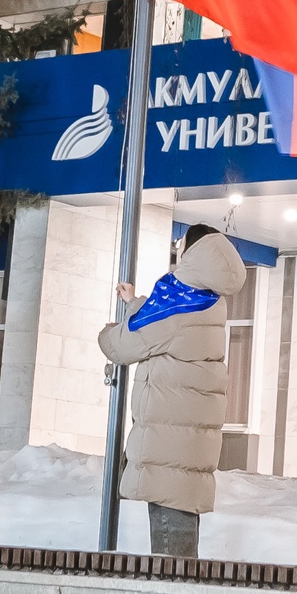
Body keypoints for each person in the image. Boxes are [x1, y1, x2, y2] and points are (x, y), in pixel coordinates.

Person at [99, 224, 246, 559]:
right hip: (186, 440)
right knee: (181, 539)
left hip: (169, 443)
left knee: (171, 557)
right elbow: (162, 328)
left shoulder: (178, 304)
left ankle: (173, 593)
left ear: (191, 252)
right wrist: (135, 303)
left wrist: (108, 331)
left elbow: (125, 344)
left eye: (180, 245)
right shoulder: (206, 299)